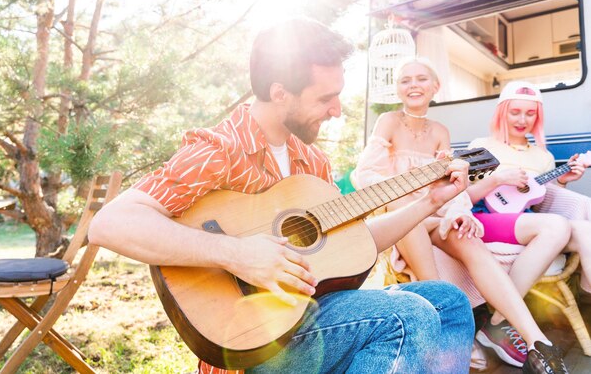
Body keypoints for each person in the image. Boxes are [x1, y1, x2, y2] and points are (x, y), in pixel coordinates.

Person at [89, 18, 475, 374]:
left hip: (314, 317)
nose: (337, 110)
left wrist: (430, 201)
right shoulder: (218, 151)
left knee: (450, 304)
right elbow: (110, 224)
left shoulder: (311, 161)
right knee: (408, 317)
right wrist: (237, 254)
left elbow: (352, 245)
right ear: (280, 93)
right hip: (252, 342)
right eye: (326, 98)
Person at [353, 57, 569, 373]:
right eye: (406, 80)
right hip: (398, 215)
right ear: (398, 89)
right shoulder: (388, 121)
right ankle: (448, 328)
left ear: (435, 87)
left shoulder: (440, 131)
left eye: (421, 79)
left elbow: (452, 181)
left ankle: (538, 342)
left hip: (434, 211)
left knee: (467, 236)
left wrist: (460, 210)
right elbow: (364, 174)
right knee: (409, 214)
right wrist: (406, 189)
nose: (413, 85)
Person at [466, 80, 591, 309]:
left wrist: (562, 181)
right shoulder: (481, 146)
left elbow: (543, 203)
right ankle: (502, 315)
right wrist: (497, 179)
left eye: (530, 113)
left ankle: (587, 304)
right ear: (502, 112)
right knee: (555, 226)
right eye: (515, 112)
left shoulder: (543, 157)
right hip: (483, 219)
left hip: (524, 222)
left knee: (587, 230)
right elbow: (462, 197)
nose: (522, 120)